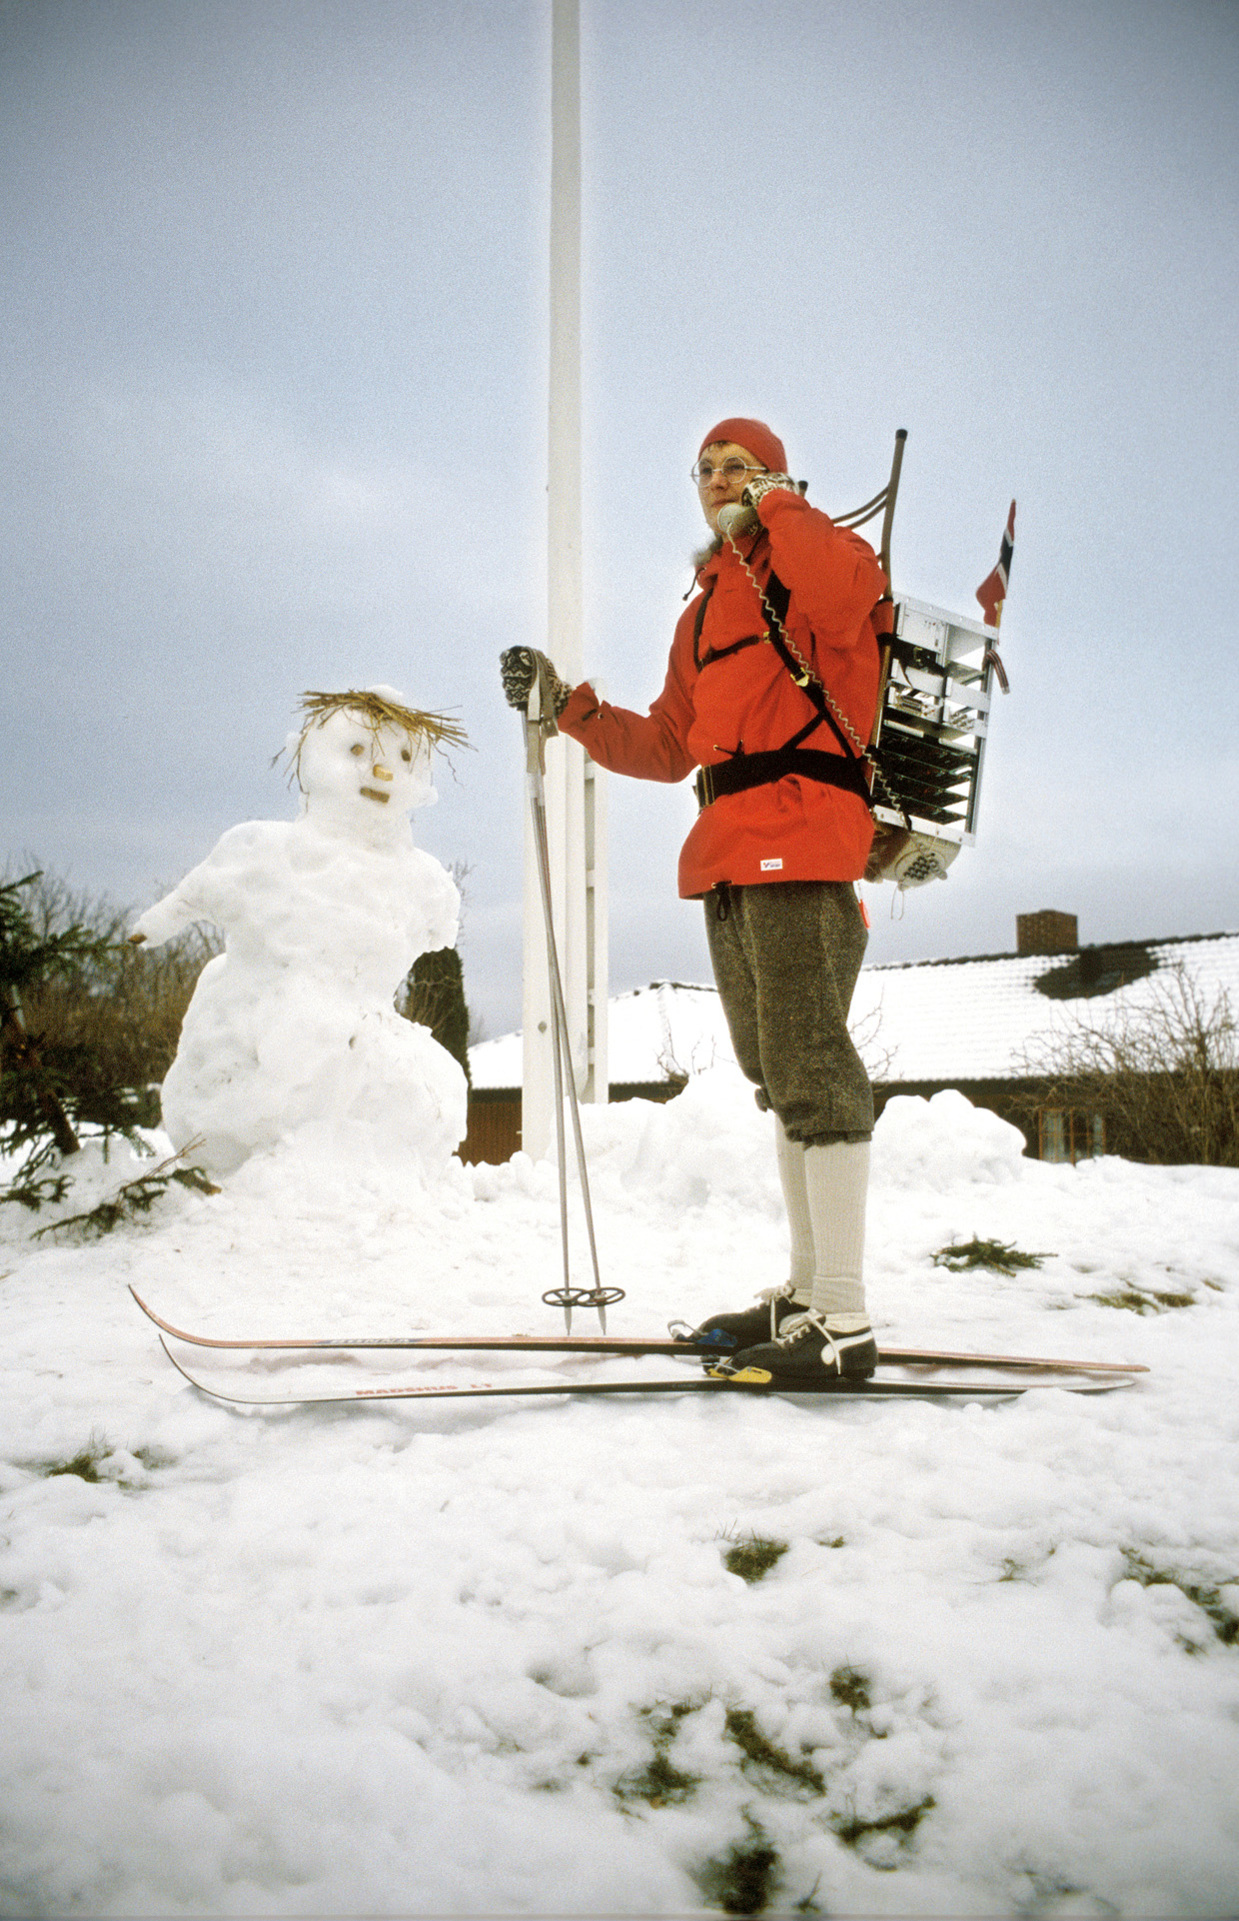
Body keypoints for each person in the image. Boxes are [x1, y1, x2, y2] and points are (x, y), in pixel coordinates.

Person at [501, 417, 886, 1383]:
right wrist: (569, 711)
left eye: (738, 467)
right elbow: (670, 743)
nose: (717, 480)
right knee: (775, 1070)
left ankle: (842, 1317)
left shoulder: (818, 554)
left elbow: (846, 601)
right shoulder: (705, 606)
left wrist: (778, 505)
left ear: (779, 477)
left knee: (811, 1066)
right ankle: (806, 1293)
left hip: (799, 834)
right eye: (705, 469)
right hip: (725, 847)